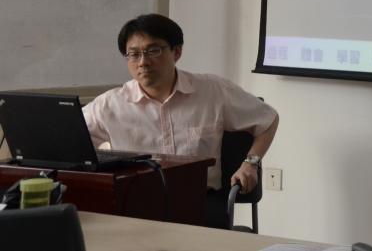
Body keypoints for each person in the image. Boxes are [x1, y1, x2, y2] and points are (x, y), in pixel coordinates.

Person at [83, 14, 279, 228]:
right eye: (134, 54)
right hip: (137, 207)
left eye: (153, 51)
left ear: (176, 52)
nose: (143, 62)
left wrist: (250, 164)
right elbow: (69, 143)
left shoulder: (212, 91)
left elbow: (268, 120)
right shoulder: (109, 105)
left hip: (201, 204)